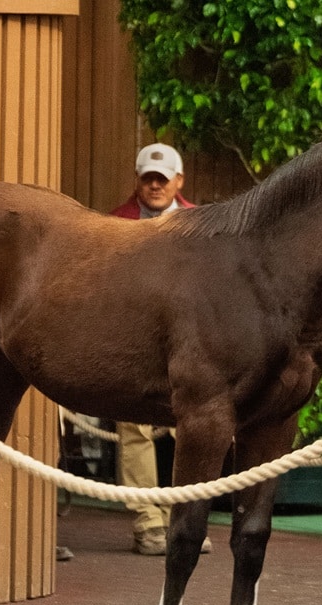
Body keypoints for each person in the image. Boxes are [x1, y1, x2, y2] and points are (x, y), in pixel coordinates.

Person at [110, 143, 210, 556]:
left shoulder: (201, 225)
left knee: (195, 426)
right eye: (148, 179)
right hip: (134, 340)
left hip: (189, 343)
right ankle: (148, 521)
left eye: (162, 179)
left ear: (178, 181)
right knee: (133, 426)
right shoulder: (115, 224)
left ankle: (183, 521)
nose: (155, 186)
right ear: (137, 180)